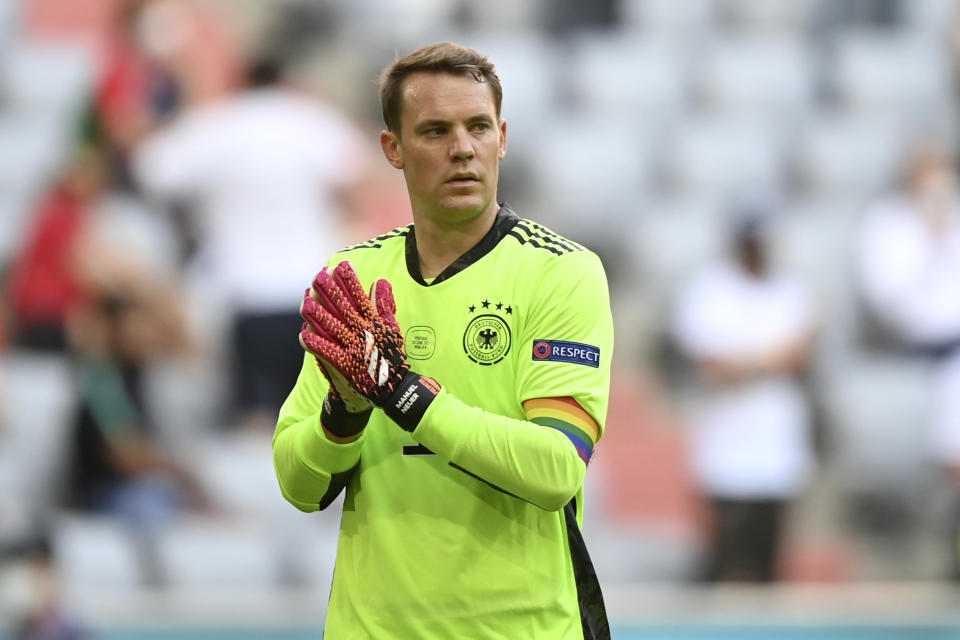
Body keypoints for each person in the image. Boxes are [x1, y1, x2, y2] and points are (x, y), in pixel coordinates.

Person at [273, 43, 613, 639]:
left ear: (502, 138)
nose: (462, 148)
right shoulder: (355, 278)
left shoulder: (562, 273)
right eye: (434, 130)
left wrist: (407, 398)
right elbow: (298, 485)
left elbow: (557, 468)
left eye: (478, 126)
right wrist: (342, 414)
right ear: (393, 150)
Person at [132, 54, 371, 429]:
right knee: (312, 414)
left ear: (242, 81)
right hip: (310, 290)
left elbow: (152, 169)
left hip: (242, 292)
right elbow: (357, 172)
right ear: (286, 80)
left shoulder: (219, 122)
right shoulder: (311, 119)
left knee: (254, 420)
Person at [671, 201, 816, 582]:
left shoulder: (789, 290)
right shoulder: (711, 290)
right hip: (726, 450)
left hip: (777, 447)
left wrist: (744, 361)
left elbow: (800, 355)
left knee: (769, 564)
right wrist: (768, 359)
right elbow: (712, 366)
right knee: (723, 560)